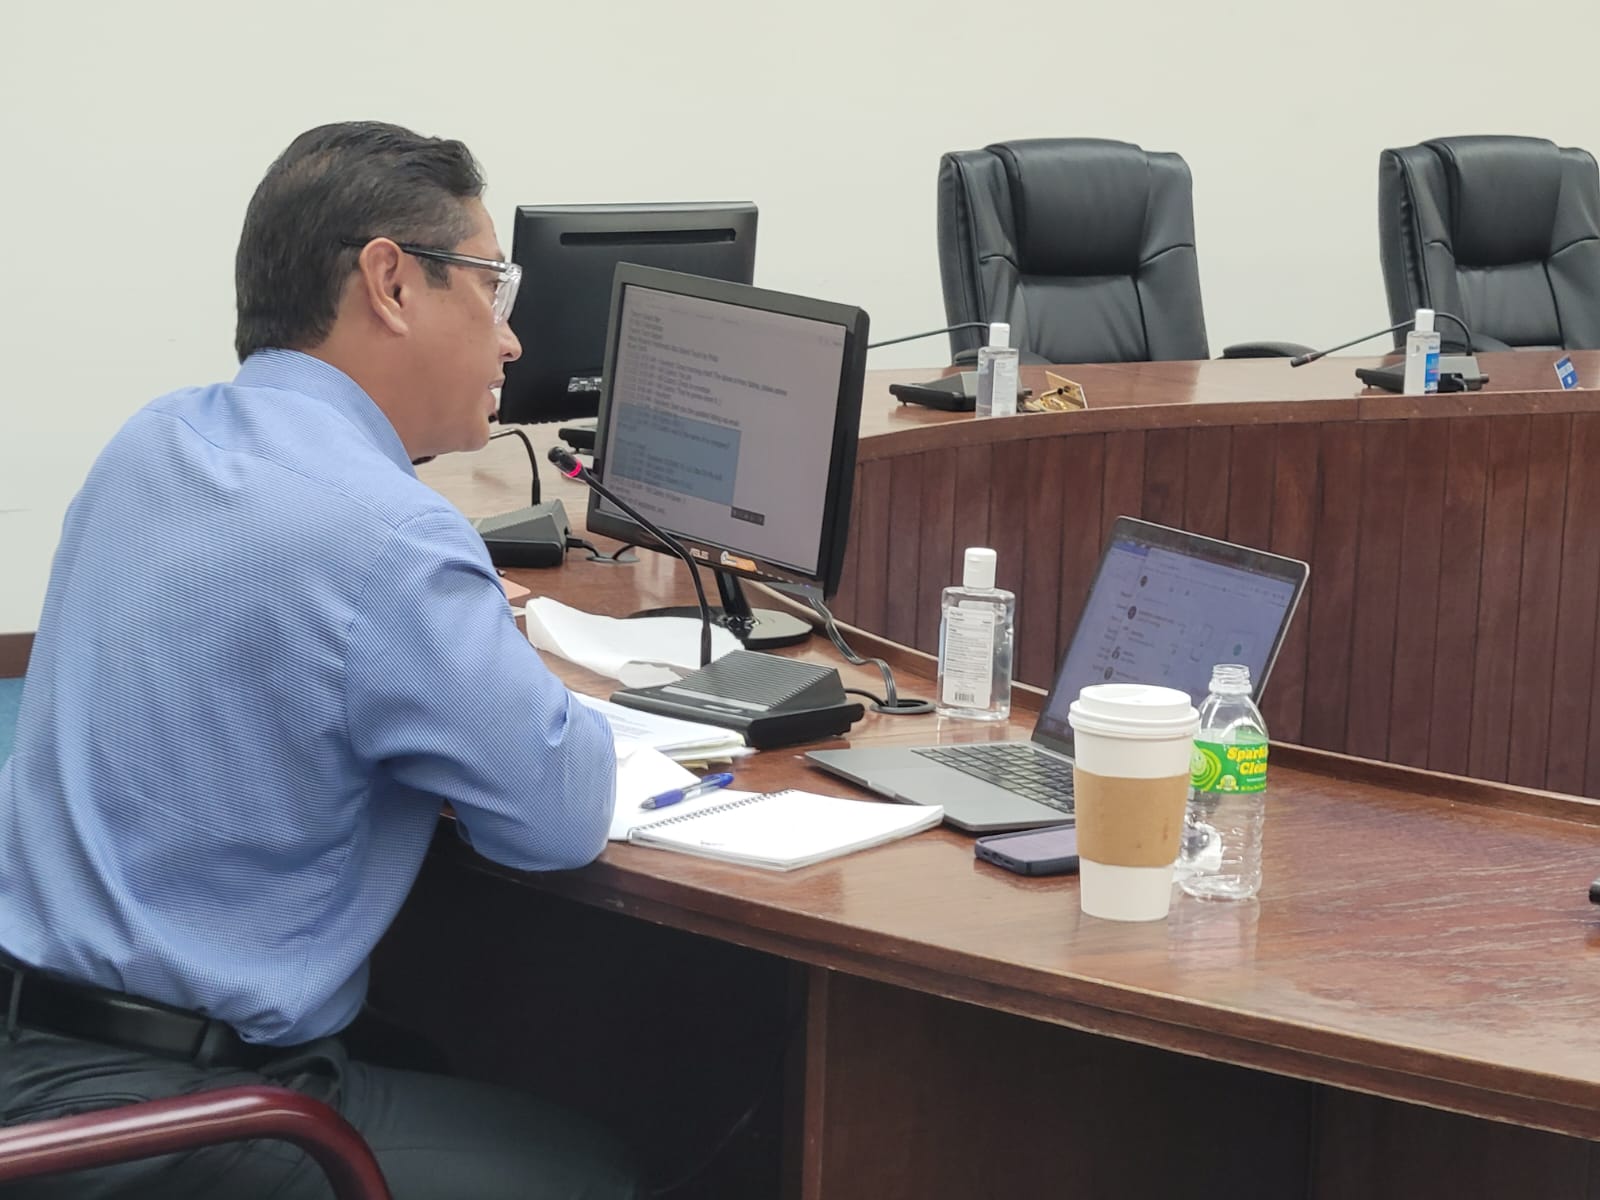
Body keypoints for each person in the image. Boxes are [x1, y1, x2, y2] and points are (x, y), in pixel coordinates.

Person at [0, 122, 639, 1198]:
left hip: (32, 1044)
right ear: (390, 282)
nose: (512, 341)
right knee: (600, 1169)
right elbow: (557, 818)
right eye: (493, 286)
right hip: (173, 1114)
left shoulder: (153, 441)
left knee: (442, 1060)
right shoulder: (389, 538)